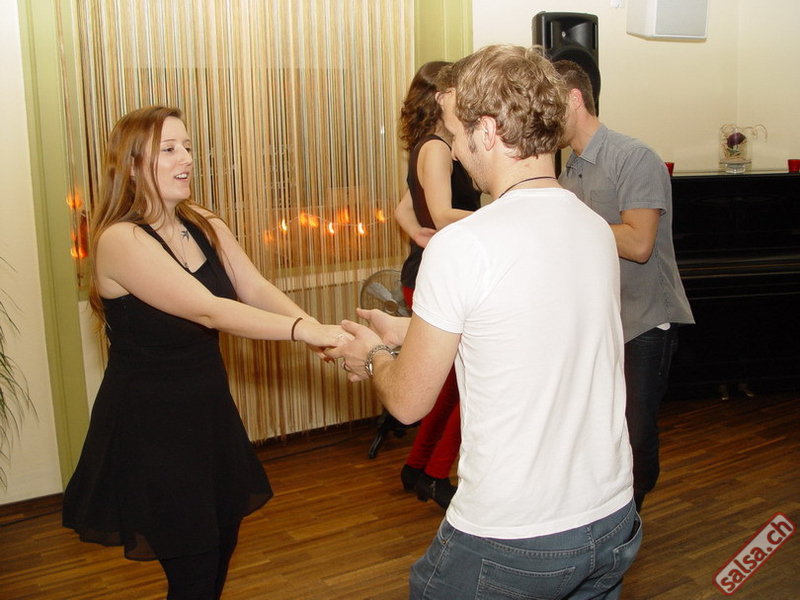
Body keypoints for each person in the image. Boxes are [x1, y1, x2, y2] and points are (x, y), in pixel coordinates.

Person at [328, 45, 641, 599]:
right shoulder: (594, 228)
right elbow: (526, 331)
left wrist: (372, 355)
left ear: (489, 132)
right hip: (611, 518)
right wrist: (407, 333)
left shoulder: (464, 245)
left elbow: (408, 403)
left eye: (454, 132)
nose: (451, 148)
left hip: (515, 535)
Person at [62, 106, 347, 600]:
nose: (187, 159)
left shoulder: (204, 223)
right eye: (169, 149)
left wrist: (319, 330)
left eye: (189, 147)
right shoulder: (120, 240)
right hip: (152, 428)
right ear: (132, 166)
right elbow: (211, 310)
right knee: (193, 572)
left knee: (218, 552)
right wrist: (305, 332)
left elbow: (253, 287)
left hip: (208, 416)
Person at [554, 60, 694, 512]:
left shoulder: (634, 157)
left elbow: (638, 243)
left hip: (644, 322)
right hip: (601, 323)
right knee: (602, 431)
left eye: (549, 104)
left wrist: (572, 221)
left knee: (636, 432)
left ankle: (631, 514)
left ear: (574, 98)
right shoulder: (569, 169)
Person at [393, 61, 482, 509]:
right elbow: (445, 215)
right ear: (440, 96)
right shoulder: (437, 149)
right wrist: (503, 215)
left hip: (431, 273)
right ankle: (434, 473)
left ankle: (418, 467)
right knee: (468, 387)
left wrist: (416, 233)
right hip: (439, 280)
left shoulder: (428, 146)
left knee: (447, 387)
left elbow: (402, 208)